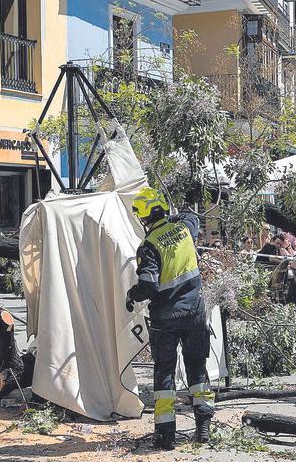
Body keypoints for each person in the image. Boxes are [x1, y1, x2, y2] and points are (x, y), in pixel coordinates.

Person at [126, 188, 214, 449]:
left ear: (143, 217)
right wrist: (176, 213)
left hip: (165, 318)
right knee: (197, 367)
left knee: (165, 374)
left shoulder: (149, 245)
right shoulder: (185, 228)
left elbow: (149, 285)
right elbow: (192, 216)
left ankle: (165, 436)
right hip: (196, 312)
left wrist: (132, 294)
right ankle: (203, 427)